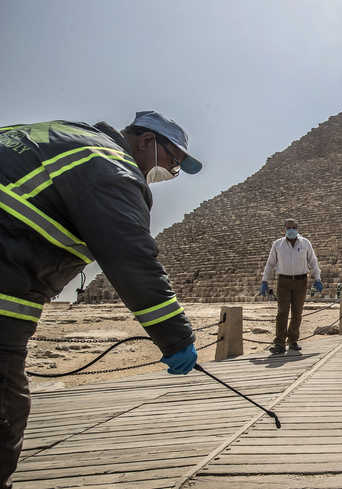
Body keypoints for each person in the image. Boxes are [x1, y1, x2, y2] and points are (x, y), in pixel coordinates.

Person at [0, 112, 204, 488]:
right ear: (145, 141)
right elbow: (131, 258)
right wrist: (176, 339)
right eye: (172, 163)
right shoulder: (109, 166)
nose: (168, 173)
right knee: (4, 409)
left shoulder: (64, 135)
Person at [259, 218, 322, 354]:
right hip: (283, 281)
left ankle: (293, 340)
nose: (291, 230)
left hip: (301, 281)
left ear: (297, 228)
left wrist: (317, 278)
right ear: (285, 229)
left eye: (293, 227)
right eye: (288, 228)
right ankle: (280, 343)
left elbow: (313, 261)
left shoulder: (305, 243)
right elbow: (270, 263)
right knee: (282, 312)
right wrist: (264, 280)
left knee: (297, 312)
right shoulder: (277, 244)